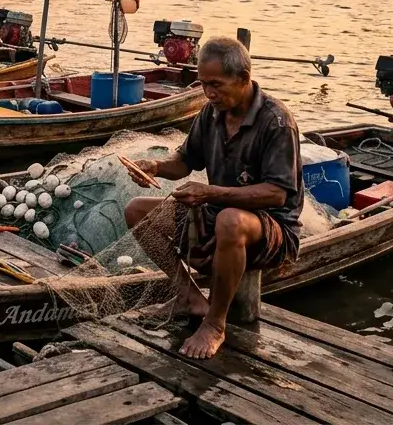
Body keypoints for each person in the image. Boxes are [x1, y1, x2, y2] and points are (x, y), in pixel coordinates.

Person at [124, 36, 302, 359]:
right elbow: (184, 163)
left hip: (271, 230)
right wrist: (155, 166)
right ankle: (187, 296)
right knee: (137, 211)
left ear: (244, 79)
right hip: (217, 213)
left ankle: (215, 324)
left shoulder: (276, 122)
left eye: (216, 85)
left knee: (229, 221)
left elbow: (277, 195)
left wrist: (209, 192)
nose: (209, 93)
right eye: (203, 84)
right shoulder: (211, 113)